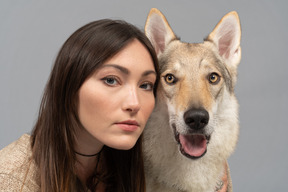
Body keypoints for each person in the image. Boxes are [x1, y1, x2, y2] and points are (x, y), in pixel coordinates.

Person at [0, 19, 159, 192]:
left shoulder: (144, 167)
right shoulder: (11, 179)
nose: (134, 104)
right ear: (69, 86)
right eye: (111, 80)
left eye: (145, 85)